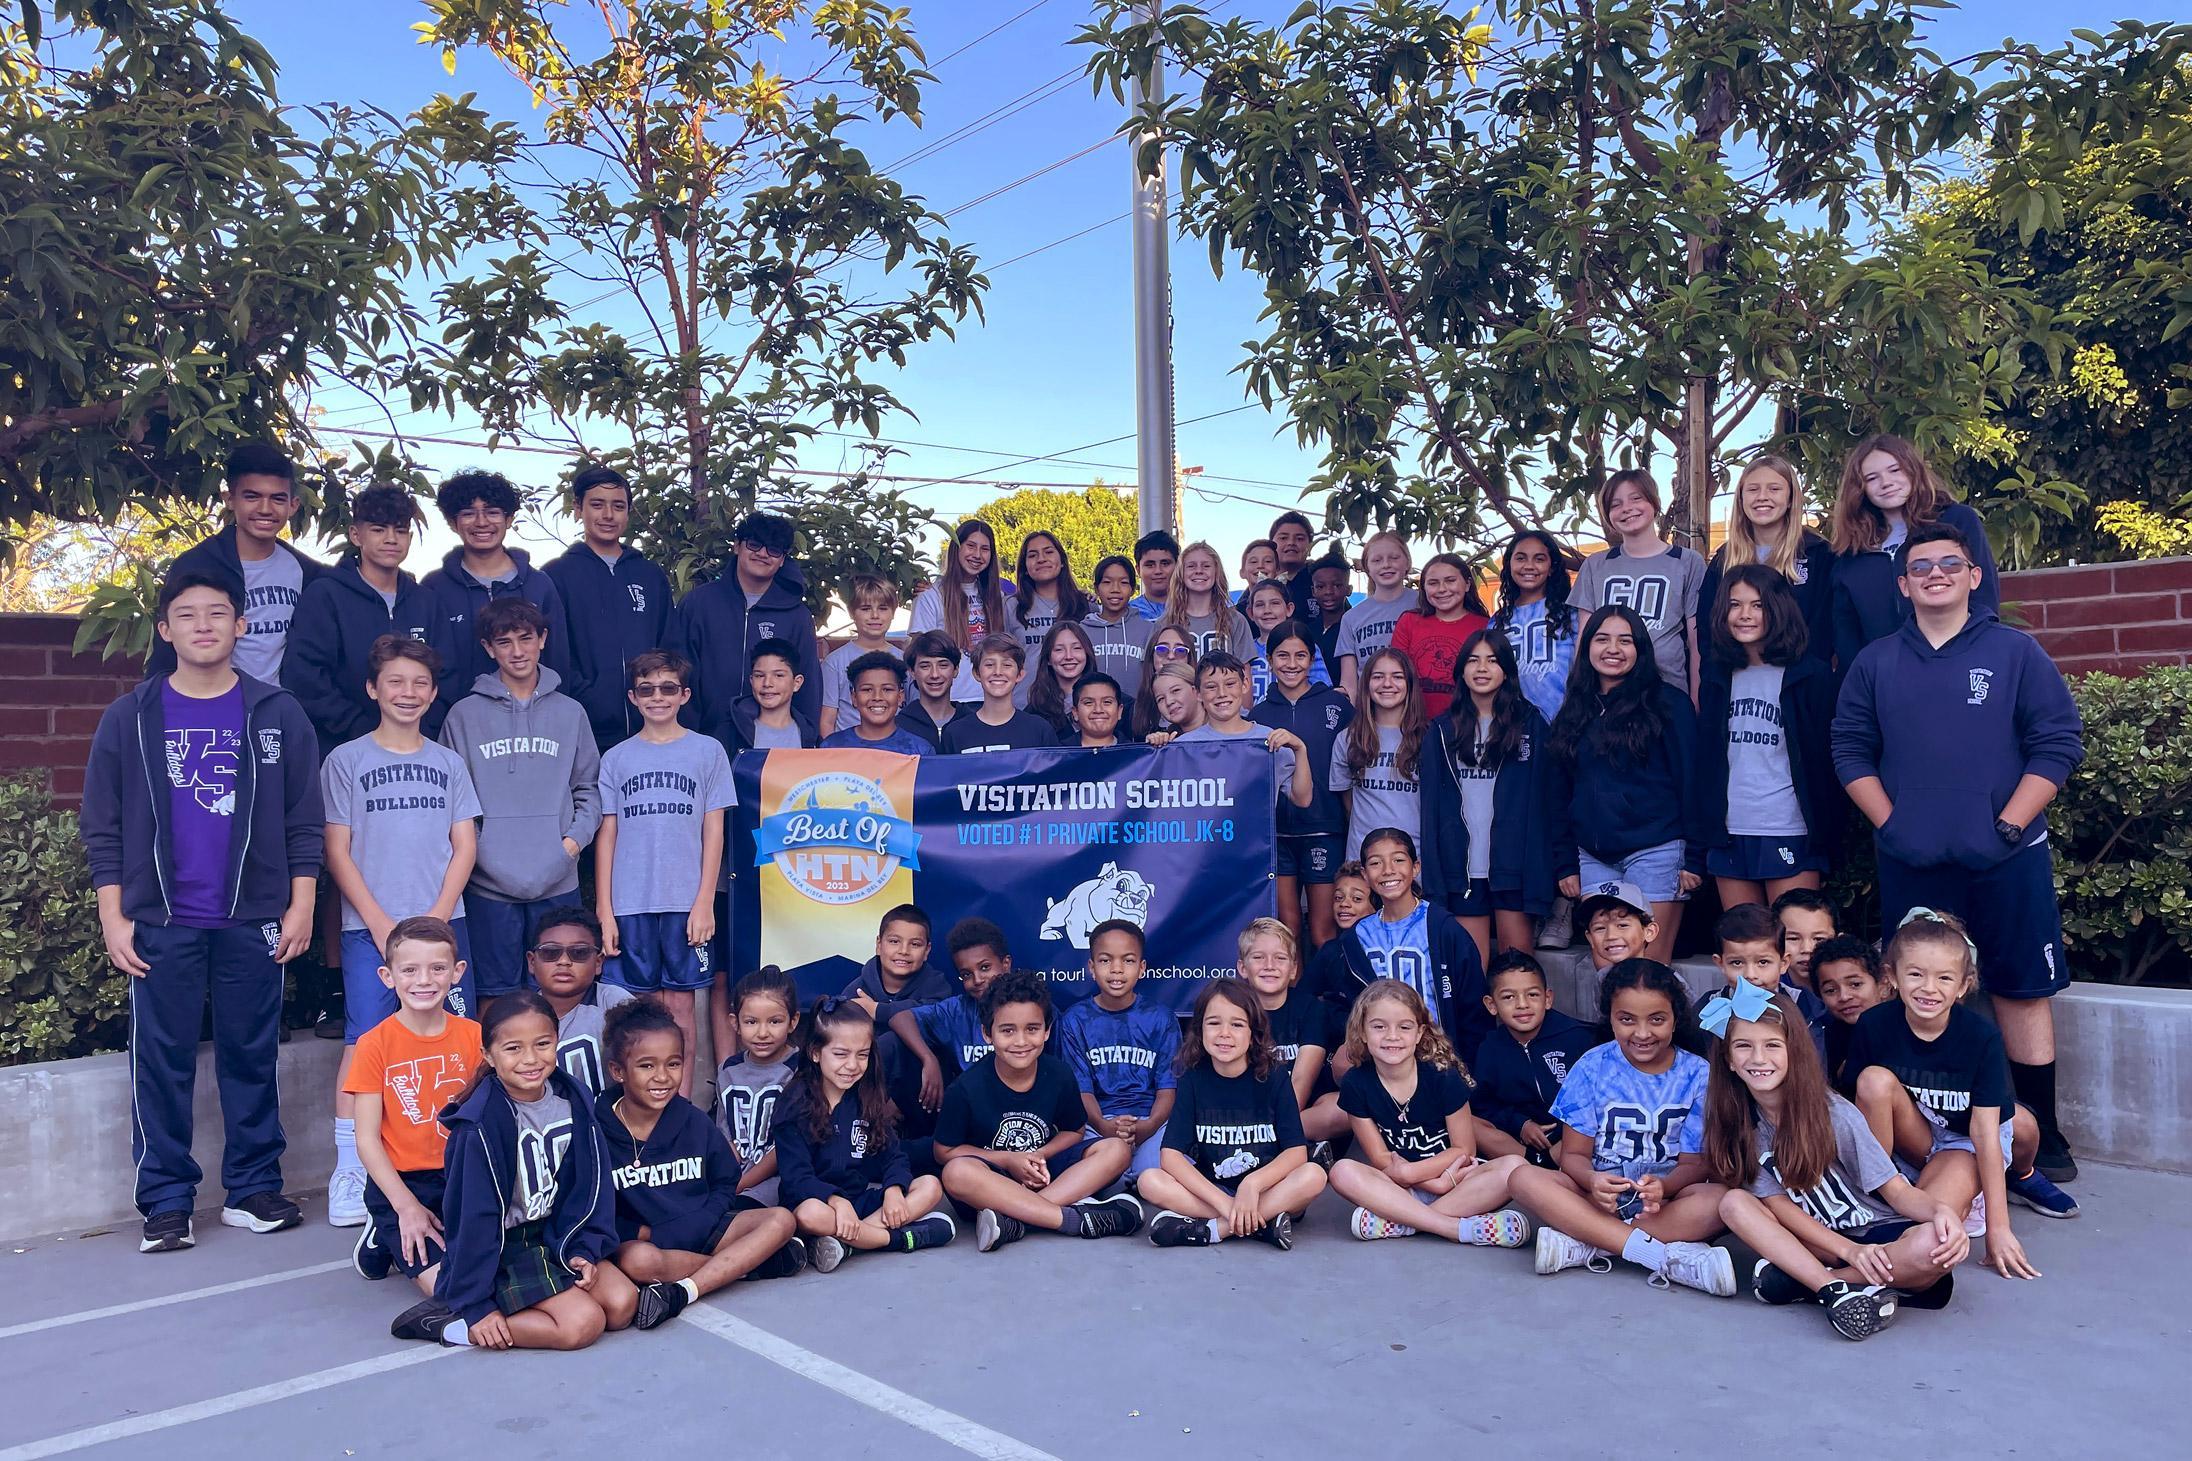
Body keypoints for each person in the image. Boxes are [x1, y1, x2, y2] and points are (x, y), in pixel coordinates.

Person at [1831, 519, 2084, 1183]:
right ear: (1904, 584)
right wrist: (1890, 822)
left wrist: (2009, 823)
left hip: (2009, 858)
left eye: (1950, 563)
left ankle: (2041, 1138)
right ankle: (1915, 1138)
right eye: (1922, 567)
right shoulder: (1877, 661)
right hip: (1913, 860)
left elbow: (2057, 741)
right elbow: (1849, 748)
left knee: (2022, 987)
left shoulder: (2014, 652)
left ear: (1974, 576)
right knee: (1910, 985)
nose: (1936, 574)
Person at [86, 570, 321, 1253]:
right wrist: (114, 915)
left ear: (241, 625)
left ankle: (252, 1187)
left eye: (217, 613)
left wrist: (300, 902)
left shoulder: (277, 712)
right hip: (161, 918)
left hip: (253, 918)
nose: (203, 625)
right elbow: (103, 825)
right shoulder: (130, 716)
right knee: (161, 1061)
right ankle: (165, 1200)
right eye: (186, 615)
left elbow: (304, 818)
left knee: (251, 1054)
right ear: (165, 629)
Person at [321, 635, 482, 1227]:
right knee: (364, 1044)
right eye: (396, 681)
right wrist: (382, 922)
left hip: (444, 924)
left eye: (420, 683)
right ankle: (350, 1168)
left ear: (434, 693)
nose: (408, 693)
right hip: (371, 930)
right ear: (373, 689)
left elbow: (464, 844)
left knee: (453, 1038)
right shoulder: (347, 760)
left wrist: (438, 917)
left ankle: (457, 1152)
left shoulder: (447, 762)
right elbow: (338, 851)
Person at [1704, 992, 1964, 1337]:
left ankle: (1812, 1284)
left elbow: (1897, 1191)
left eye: (1772, 1045)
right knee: (1734, 1204)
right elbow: (1778, 1206)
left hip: (1876, 1232)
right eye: (1743, 1047)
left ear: (1794, 1053)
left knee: (1932, 1245)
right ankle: (1837, 1290)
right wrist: (1847, 1249)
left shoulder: (1834, 1114)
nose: (1758, 1058)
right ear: (1729, 1060)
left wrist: (1939, 1212)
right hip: (1815, 1240)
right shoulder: (1738, 1124)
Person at [389, 990, 636, 1349]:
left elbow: (587, 1187)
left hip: (554, 1234)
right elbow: (471, 1217)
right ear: (488, 1054)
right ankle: (452, 1324)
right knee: (581, 1326)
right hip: (504, 1248)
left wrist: (582, 1247)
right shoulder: (479, 1125)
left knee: (621, 1305)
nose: (531, 1059)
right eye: (513, 1048)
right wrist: (476, 1304)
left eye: (542, 1044)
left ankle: (529, 1297)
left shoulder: (574, 1099)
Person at [1844, 910, 2077, 1277]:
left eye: (1944, 978)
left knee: (1930, 1232)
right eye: (1916, 974)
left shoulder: (1980, 1036)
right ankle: (1877, 1192)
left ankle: (1999, 1185)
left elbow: (1985, 1133)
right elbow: (1852, 1109)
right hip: (1915, 1136)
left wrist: (2000, 1230)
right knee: (1873, 1080)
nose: (1928, 988)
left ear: (1964, 985)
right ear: (1892, 977)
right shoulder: (1875, 1023)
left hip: (1964, 1144)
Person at [1507, 960, 1734, 1295]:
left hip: (1664, 1204)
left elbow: (1695, 1164)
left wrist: (1666, 1186)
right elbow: (1573, 1155)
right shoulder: (1592, 1067)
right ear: (1610, 1018)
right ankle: (1660, 1255)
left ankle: (1590, 1242)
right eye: (1627, 1019)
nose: (1642, 1033)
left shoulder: (1699, 1075)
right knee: (1523, 1178)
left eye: (1657, 1020)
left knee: (1721, 1199)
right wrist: (1592, 1180)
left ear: (1675, 1020)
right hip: (1596, 1198)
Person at [596, 999, 805, 1331]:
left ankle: (682, 1292)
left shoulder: (692, 1119)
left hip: (705, 1228)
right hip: (652, 1243)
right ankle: (745, 1267)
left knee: (781, 1219)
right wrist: (642, 1233)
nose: (662, 1077)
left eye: (673, 1064)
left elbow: (725, 1181)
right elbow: (594, 1206)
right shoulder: (596, 1131)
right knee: (636, 1260)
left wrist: (703, 1221)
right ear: (618, 1071)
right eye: (647, 1066)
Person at [439, 598, 602, 997]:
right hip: (488, 885)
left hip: (557, 879)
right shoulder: (463, 715)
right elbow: (451, 802)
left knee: (561, 992)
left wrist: (569, 845)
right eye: (504, 641)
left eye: (526, 638)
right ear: (488, 647)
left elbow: (589, 789)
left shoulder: (571, 712)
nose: (517, 651)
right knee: (495, 998)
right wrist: (478, 853)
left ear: (542, 639)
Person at [595, 650, 735, 1085]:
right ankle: (640, 1105)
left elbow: (715, 833)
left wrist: (704, 903)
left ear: (684, 694)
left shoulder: (707, 752)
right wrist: (604, 909)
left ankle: (681, 1107)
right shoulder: (617, 758)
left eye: (668, 688)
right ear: (633, 698)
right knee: (641, 1013)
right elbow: (608, 834)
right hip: (631, 901)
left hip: (685, 901)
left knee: (680, 1010)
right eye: (647, 689)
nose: (658, 697)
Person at [935, 971, 1146, 1252]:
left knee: (1117, 1149)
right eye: (1007, 1030)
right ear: (988, 1033)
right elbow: (944, 1151)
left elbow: (1075, 1131)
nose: (1021, 1041)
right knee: (956, 1172)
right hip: (993, 1181)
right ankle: (1069, 1220)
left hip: (1045, 1171)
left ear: (1047, 1031)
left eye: (1032, 1029)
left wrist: (1040, 1155)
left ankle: (1018, 1221)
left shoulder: (1058, 1074)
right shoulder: (965, 1088)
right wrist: (1009, 1159)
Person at [1548, 605, 1700, 964]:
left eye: (1624, 640)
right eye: (1602, 639)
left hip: (1657, 850)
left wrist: (1695, 856)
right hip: (1592, 857)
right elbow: (1557, 795)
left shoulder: (1668, 704)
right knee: (1607, 969)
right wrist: (1565, 863)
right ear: (1587, 647)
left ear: (1640, 650)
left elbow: (1693, 782)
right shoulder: (1573, 709)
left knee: (1647, 968)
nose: (1612, 649)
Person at [1328, 979, 1532, 1246]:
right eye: (1379, 1027)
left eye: (1404, 1027)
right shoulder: (1356, 1083)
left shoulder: (1442, 1076)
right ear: (1363, 1032)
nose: (1392, 1036)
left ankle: (1401, 1222)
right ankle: (1455, 1228)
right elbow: (1379, 1157)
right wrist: (1420, 1182)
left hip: (1456, 1180)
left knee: (1515, 1167)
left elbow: (1464, 1150)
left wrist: (1416, 1174)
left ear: (1420, 1032)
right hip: (1400, 1188)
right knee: (1341, 1171)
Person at [345, 916, 482, 1294]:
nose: (424, 980)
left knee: (489, 1268)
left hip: (462, 1176)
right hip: (404, 1181)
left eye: (437, 968)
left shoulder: (474, 1037)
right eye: (409, 970)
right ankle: (385, 1222)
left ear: (457, 972)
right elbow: (367, 1139)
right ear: (388, 977)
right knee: (446, 1287)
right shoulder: (374, 1044)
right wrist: (405, 1205)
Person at [1140, 978, 1329, 1249]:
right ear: (1200, 1028)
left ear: (1254, 1032)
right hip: (1216, 1192)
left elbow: (1296, 1153)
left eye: (1237, 1024)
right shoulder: (1193, 1077)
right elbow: (1170, 1156)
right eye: (1214, 1023)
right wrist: (1227, 1205)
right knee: (1150, 1181)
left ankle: (1215, 1230)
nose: (1224, 1033)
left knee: (1313, 1175)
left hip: (1267, 1189)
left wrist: (1252, 1185)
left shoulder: (1274, 1076)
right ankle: (1258, 1225)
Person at [1694, 566, 1840, 911]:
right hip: (1729, 828)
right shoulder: (1717, 674)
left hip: (1789, 826)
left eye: (1757, 605)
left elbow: (1825, 760)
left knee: (1795, 946)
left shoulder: (1811, 674)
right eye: (1735, 605)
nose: (1744, 615)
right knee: (1744, 949)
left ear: (1778, 608)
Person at [776, 997, 956, 1269]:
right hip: (819, 1203)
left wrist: (894, 1190)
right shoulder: (794, 1103)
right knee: (810, 1214)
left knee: (929, 1185)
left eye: (862, 1054)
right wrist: (835, 1200)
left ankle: (847, 1245)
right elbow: (795, 1178)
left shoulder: (866, 1095)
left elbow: (893, 1156)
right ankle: (898, 1239)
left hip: (859, 1202)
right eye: (840, 1054)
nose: (852, 1065)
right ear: (815, 1052)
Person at [1420, 629, 1556, 962]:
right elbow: (1430, 811)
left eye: (1492, 661)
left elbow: (1546, 804)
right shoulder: (1441, 730)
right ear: (1461, 671)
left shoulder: (1531, 725)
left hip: (1513, 867)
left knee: (1518, 970)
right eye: (1473, 661)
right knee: (1471, 975)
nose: (1482, 669)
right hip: (1463, 871)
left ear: (1507, 670)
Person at [147, 441, 323, 682]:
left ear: (293, 506)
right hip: (212, 705)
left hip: (280, 710)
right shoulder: (196, 566)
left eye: (277, 499)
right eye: (252, 497)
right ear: (230, 499)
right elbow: (167, 654)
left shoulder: (306, 571)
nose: (265, 509)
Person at [1829, 433, 2000, 670]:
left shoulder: (1957, 520)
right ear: (1860, 488)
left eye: (1895, 470)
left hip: (1956, 664)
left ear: (1912, 470)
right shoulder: (1852, 550)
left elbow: (1984, 598)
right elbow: (1846, 630)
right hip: (1884, 676)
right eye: (1871, 478)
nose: (1886, 482)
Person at [1322, 828, 1493, 1064]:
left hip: (1438, 1060)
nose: (1388, 870)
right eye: (1375, 863)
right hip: (1379, 1060)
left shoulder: (1442, 929)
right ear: (1365, 873)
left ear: (1416, 867)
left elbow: (1473, 1006)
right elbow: (1340, 1002)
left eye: (1398, 860)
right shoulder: (1356, 937)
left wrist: (1468, 1067)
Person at [283, 484, 434, 752]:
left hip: (418, 747)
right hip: (341, 747)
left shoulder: (426, 601)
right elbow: (306, 677)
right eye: (378, 530)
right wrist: (363, 730)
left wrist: (421, 731)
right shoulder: (325, 595)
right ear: (355, 534)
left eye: (400, 531)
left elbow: (446, 673)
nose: (391, 539)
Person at [543, 465, 674, 753]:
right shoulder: (556, 576)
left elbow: (669, 645)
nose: (607, 515)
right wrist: (591, 697)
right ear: (578, 508)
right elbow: (553, 651)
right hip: (585, 728)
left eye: (618, 506)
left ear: (628, 512)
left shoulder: (650, 575)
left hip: (651, 726)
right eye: (597, 504)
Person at [421, 469, 575, 708]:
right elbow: (427, 664)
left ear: (509, 519)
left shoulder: (539, 585)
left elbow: (558, 661)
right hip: (454, 724)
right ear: (453, 523)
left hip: (534, 723)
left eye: (492, 512)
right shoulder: (435, 588)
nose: (482, 522)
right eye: (468, 514)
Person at [670, 509, 823, 736]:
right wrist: (686, 734)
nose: (762, 554)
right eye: (754, 545)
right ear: (737, 546)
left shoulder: (797, 615)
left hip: (771, 741)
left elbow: (808, 682)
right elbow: (678, 671)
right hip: (704, 737)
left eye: (773, 550)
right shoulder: (698, 603)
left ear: (782, 560)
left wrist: (806, 736)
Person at [1252, 621, 1354, 947]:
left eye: (1300, 655)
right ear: (1268, 660)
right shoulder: (1258, 713)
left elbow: (1356, 762)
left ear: (1312, 660)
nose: (1291, 664)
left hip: (1325, 828)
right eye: (1282, 655)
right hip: (1277, 835)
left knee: (1324, 930)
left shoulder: (1337, 707)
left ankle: (1328, 997)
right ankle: (1290, 996)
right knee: (1288, 928)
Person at [1569, 469, 1707, 700]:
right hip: (1608, 694)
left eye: (1636, 498)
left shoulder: (1688, 561)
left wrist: (1696, 699)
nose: (1627, 508)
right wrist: (1578, 697)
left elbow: (1697, 641)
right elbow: (1584, 638)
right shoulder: (1595, 565)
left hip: (1668, 691)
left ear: (1654, 503)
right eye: (1616, 504)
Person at [1058, 920, 1179, 1179]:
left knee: (1154, 1170)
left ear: (1142, 967)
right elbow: (1081, 1089)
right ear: (1091, 967)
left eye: (1128, 960)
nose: (1116, 969)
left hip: (1151, 1121)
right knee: (1091, 1162)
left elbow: (1168, 1087)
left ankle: (1131, 1184)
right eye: (1105, 960)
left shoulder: (1161, 1018)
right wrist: (1103, 1124)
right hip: (1096, 1123)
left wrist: (1150, 1125)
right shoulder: (1074, 1020)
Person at [1698, 453, 1834, 666]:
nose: (1762, 496)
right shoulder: (1724, 559)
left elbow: (1825, 627)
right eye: (1753, 489)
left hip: (1800, 682)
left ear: (1791, 498)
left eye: (1774, 489)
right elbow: (1708, 629)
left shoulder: (1818, 554)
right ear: (1741, 498)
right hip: (1737, 680)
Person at [1470, 951, 1600, 1166]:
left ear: (1547, 998)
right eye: (1508, 997)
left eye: (1532, 995)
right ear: (1491, 1005)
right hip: (1521, 1142)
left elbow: (1597, 1097)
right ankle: (1534, 1164)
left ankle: (1548, 1165)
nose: (1522, 1004)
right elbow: (1483, 1104)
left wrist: (1562, 1128)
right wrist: (1521, 1124)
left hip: (1570, 1138)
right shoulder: (1490, 1048)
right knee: (1468, 1122)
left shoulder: (1579, 1037)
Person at [1237, 918, 1347, 1149]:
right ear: (1242, 968)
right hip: (1247, 1111)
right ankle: (1299, 1151)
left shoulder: (1311, 1008)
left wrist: (1269, 1127)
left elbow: (1300, 1081)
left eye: (1280, 958)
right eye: (1258, 957)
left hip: (1300, 1109)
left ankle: (1273, 1145)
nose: (1270, 965)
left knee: (1344, 1107)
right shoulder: (1233, 1010)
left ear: (1294, 968)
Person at [892, 916, 1013, 1112]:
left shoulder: (1032, 1007)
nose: (977, 979)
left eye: (985, 968)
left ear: (1005, 964)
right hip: (969, 1115)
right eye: (966, 974)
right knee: (891, 1042)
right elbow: (901, 1018)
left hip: (1022, 1114)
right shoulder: (956, 1010)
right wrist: (928, 1059)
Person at [1174, 654, 1313, 810]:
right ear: (1197, 693)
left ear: (1245, 684)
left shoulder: (1269, 740)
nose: (1222, 693)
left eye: (1230, 683)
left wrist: (1300, 749)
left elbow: (1302, 799)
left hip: (1254, 834)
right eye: (1211, 687)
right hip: (1202, 833)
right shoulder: (1182, 746)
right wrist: (1155, 750)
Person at [716, 965, 802, 1206]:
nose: (762, 1033)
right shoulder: (727, 1070)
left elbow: (786, 1148)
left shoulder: (800, 1070)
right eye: (751, 1022)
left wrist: (741, 1185)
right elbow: (725, 1134)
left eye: (774, 1022)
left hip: (779, 1177)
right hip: (734, 1176)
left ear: (793, 1021)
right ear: (735, 1023)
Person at [1332, 646, 1427, 862]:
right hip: (1362, 859)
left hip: (1414, 860)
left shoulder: (1428, 740)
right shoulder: (1348, 738)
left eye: (1397, 676)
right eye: (1378, 676)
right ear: (1366, 683)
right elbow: (1348, 805)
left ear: (1410, 684)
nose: (1387, 684)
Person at [528, 907, 634, 1096]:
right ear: (531, 961)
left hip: (612, 1120)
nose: (564, 961)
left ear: (599, 962)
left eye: (579, 953)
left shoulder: (615, 1004)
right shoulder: (520, 1015)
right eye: (551, 952)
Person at [909, 518, 1011, 703]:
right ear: (957, 548)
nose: (977, 555)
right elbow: (919, 655)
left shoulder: (999, 597)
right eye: (971, 546)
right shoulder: (930, 596)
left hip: (989, 700)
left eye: (985, 549)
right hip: (949, 702)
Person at [1491, 528, 1580, 725]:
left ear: (1552, 568)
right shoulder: (1497, 621)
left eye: (1539, 559)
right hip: (1510, 728)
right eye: (1521, 558)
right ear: (1509, 564)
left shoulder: (1572, 615)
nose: (1529, 566)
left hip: (1565, 726)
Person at [1390, 552, 1492, 717]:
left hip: (1466, 723)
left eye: (1450, 581)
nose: (1442, 589)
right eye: (1433, 583)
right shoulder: (1409, 621)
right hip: (1415, 725)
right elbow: (1396, 675)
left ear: (1467, 584)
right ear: (1423, 588)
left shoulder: (1485, 626)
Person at [1711, 903, 1828, 1039]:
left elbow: (1813, 1057)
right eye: (1737, 963)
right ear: (1720, 964)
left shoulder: (1804, 1005)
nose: (1750, 975)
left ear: (1783, 963)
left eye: (1763, 962)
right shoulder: (1710, 1009)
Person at [816, 573, 902, 739]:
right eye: (865, 609)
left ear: (893, 612)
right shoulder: (834, 662)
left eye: (883, 608)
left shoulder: (904, 660)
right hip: (849, 752)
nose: (875, 616)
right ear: (851, 612)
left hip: (895, 751)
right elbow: (827, 719)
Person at [1009, 530, 1090, 705]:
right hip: (1026, 705)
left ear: (1062, 561)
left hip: (1078, 708)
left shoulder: (1086, 606)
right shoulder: (1010, 607)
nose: (1041, 559)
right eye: (1032, 555)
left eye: (1048, 552)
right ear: (1025, 567)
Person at [941, 635, 1055, 752]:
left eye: (1007, 665)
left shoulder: (1039, 730)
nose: (998, 672)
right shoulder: (955, 733)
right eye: (989, 665)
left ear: (1020, 674)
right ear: (976, 673)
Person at [1336, 531, 1414, 702]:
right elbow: (1349, 683)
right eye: (1377, 560)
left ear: (1407, 562)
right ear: (1367, 568)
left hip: (1417, 710)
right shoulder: (1351, 618)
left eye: (1394, 558)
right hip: (1370, 714)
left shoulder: (1424, 605)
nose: (1386, 565)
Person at [1810, 934, 1894, 1087]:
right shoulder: (1826, 1040)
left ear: (1883, 984)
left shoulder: (1904, 1029)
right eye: (1830, 990)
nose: (1844, 996)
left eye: (1855, 984)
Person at [716, 636, 820, 754]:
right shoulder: (730, 733)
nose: (767, 683)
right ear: (751, 680)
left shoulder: (810, 735)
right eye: (759, 676)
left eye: (779, 675)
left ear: (797, 683)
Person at [1158, 540, 1257, 660]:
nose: (1199, 571)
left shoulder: (1236, 620)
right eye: (1191, 566)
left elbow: (1244, 672)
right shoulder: (1166, 622)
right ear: (1181, 573)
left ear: (1216, 572)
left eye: (1206, 566)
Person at [821, 652, 935, 755]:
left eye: (887, 689)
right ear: (854, 698)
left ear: (900, 697)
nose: (877, 697)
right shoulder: (831, 747)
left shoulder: (920, 750)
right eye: (867, 690)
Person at [1242, 580, 1333, 699]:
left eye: (1275, 603)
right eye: (1260, 605)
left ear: (1289, 609)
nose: (1267, 610)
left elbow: (1322, 690)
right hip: (1254, 716)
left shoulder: (1306, 647)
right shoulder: (1245, 650)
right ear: (1250, 613)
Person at [1083, 554, 1156, 684]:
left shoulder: (1149, 630)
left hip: (1138, 704)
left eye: (1123, 583)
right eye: (1107, 582)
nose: (1115, 589)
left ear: (1133, 589)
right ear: (1096, 589)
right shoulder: (1082, 631)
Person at [1026, 619, 1104, 737]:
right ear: (1048, 659)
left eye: (1076, 648)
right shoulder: (1035, 711)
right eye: (1059, 649)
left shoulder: (1111, 701)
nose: (1068, 656)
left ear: (1087, 653)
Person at [899, 631, 974, 751]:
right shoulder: (899, 726)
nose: (934, 674)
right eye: (925, 666)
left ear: (956, 670)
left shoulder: (973, 723)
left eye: (943, 665)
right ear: (912, 672)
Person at [1579, 881, 1659, 975]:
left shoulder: (1663, 981)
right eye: (1600, 928)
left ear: (1649, 932)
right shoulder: (1602, 979)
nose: (1611, 936)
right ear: (1590, 938)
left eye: (1623, 925)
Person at [1132, 627, 1198, 739]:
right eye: (1162, 650)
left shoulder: (1208, 703)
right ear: (1151, 656)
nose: (1171, 656)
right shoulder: (1136, 709)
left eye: (1180, 651)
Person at [1772, 888, 1842, 993]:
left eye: (1819, 939)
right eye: (1793, 938)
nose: (1807, 949)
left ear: (1838, 940)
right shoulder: (1766, 988)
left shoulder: (1852, 988)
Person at [1269, 509, 1322, 621]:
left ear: (1310, 545)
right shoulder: (1262, 582)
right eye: (1283, 538)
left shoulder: (1322, 580)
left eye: (1299, 538)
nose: (1291, 543)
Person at [1307, 553, 1353, 671]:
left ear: (1348, 589)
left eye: (1337, 585)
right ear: (1313, 591)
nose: (1328, 592)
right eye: (1320, 587)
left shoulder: (1355, 628)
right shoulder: (1307, 631)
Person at [1065, 673, 1132, 748]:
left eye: (1107, 702)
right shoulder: (1057, 755)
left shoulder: (1137, 755)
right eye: (1088, 703)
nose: (1098, 710)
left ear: (1119, 711)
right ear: (1075, 712)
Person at [1129, 530, 1179, 620]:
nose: (1158, 571)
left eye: (1165, 563)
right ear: (1138, 570)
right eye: (1150, 565)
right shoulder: (1128, 613)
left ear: (1177, 566)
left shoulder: (1194, 608)